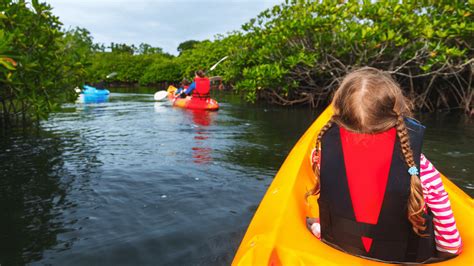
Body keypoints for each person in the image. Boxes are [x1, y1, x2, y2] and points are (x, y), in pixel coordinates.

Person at [306, 67, 462, 263]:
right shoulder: (421, 168)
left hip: (340, 246)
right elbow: (450, 246)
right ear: (398, 113)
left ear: (340, 115)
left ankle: (316, 227)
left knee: (316, 224)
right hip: (403, 257)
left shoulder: (320, 155)